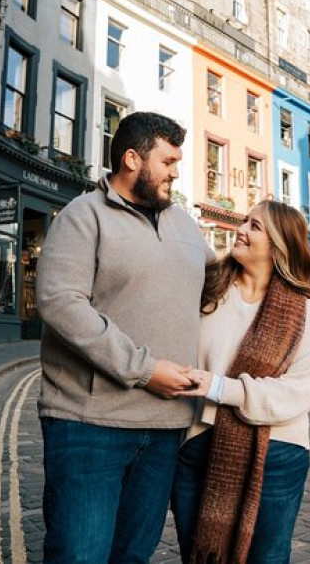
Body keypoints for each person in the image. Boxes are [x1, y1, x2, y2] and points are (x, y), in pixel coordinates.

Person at [36, 112, 213, 563]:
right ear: (132, 158)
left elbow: (223, 284)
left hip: (166, 427)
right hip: (89, 424)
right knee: (80, 556)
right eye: (168, 161)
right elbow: (61, 303)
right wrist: (145, 370)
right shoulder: (82, 216)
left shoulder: (184, 224)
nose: (176, 171)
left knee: (133, 556)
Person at [173, 201, 310, 563]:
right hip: (199, 444)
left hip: (277, 451)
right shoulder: (211, 288)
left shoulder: (305, 310)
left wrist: (221, 388)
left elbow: (300, 390)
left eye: (254, 226)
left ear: (277, 246)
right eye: (244, 221)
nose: (241, 229)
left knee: (267, 557)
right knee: (198, 555)